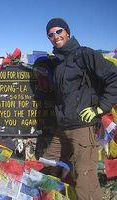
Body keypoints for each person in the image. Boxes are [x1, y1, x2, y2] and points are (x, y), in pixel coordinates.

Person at [43, 18, 117, 200]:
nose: (55, 36)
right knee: (47, 167)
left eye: (59, 31)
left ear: (67, 32)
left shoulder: (84, 54)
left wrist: (100, 108)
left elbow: (113, 78)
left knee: (85, 181)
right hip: (62, 130)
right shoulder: (59, 62)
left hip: (83, 129)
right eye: (50, 34)